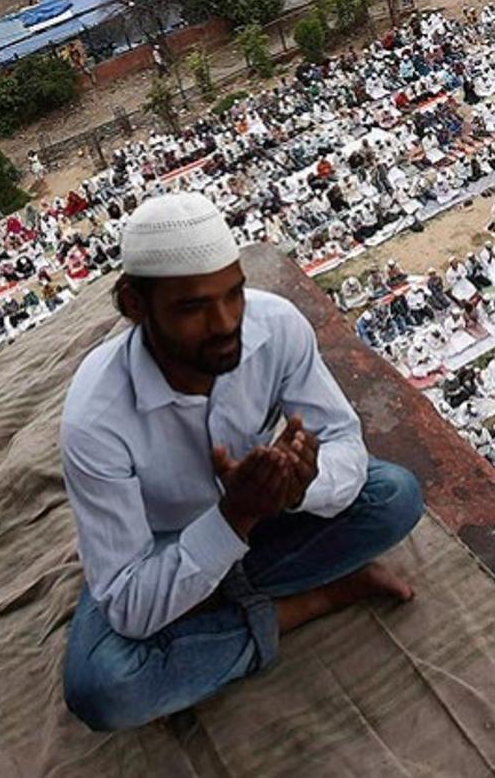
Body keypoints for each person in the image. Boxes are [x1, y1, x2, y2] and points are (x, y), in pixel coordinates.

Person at [59, 193, 423, 731]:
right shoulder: (94, 420)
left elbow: (343, 441)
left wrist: (301, 486)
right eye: (193, 307)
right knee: (103, 689)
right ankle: (315, 600)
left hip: (264, 520)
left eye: (233, 294)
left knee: (396, 497)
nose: (226, 321)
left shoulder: (276, 327)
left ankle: (205, 625)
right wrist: (234, 518)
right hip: (162, 546)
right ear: (135, 305)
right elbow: (130, 605)